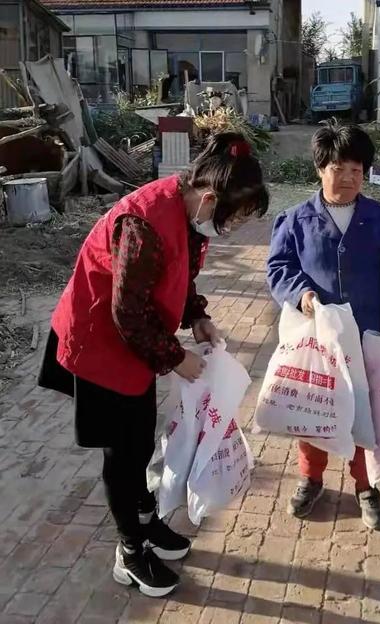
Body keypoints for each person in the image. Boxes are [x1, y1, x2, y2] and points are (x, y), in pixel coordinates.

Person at [38, 132, 268, 597]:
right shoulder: (142, 224)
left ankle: (147, 526)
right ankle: (129, 551)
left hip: (135, 345)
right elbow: (127, 312)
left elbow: (179, 274)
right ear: (208, 198)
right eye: (234, 219)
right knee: (122, 455)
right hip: (101, 343)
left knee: (139, 441)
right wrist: (174, 356)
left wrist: (196, 315)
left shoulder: (187, 215)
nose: (232, 229)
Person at [266, 120, 380, 530]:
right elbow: (279, 267)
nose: (349, 177)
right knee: (312, 408)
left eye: (356, 169)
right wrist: (302, 295)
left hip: (367, 332)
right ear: (320, 169)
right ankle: (310, 479)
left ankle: (366, 485)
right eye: (339, 168)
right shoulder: (295, 220)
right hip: (317, 338)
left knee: (365, 411)